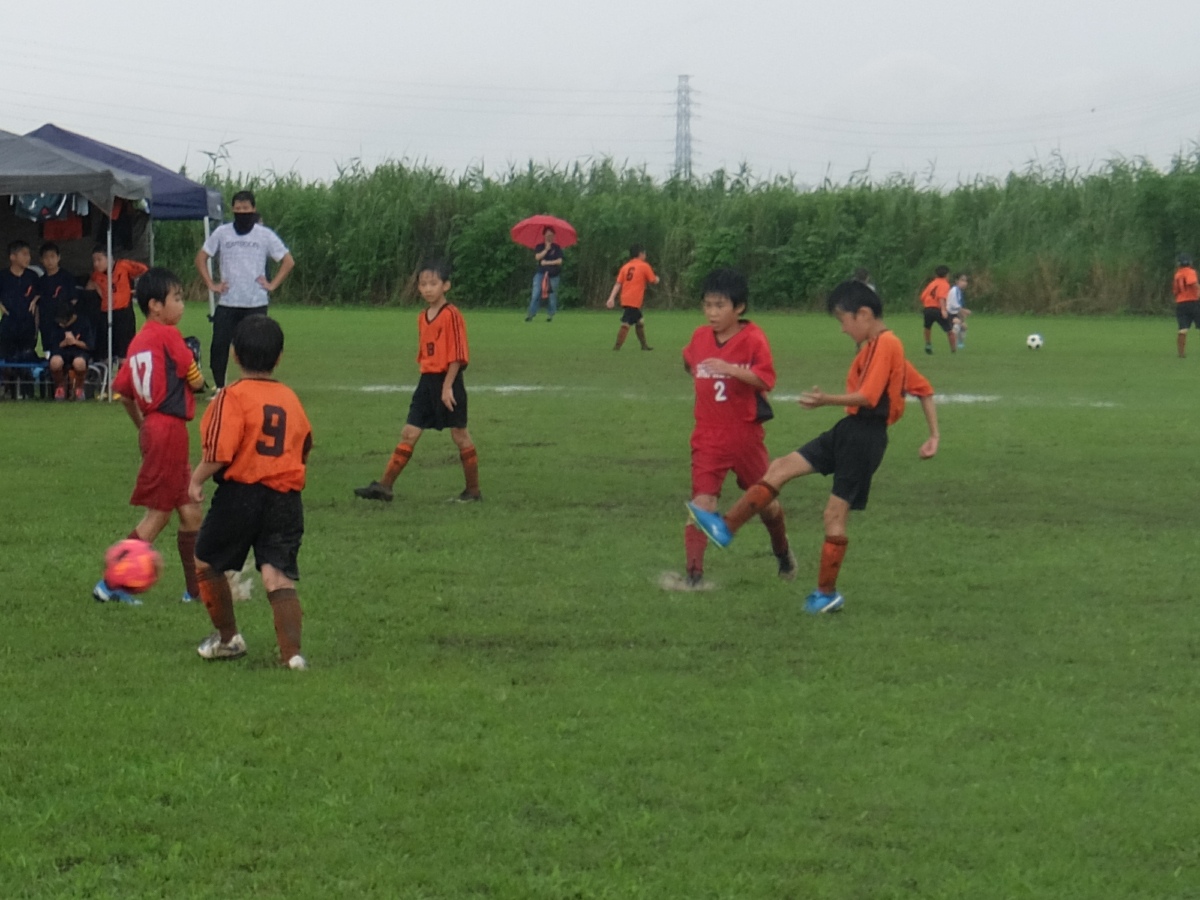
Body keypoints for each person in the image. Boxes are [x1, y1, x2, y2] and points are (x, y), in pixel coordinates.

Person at [687, 279, 940, 614]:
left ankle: (826, 593)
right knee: (780, 467)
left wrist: (825, 400)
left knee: (834, 514)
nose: (843, 329)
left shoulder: (887, 344)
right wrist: (934, 436)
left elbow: (868, 397)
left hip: (865, 437)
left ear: (864, 314)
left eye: (843, 320)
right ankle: (726, 527)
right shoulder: (875, 347)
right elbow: (924, 389)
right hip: (849, 430)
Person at [189, 315, 313, 669]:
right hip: (285, 498)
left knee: (206, 560)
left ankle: (228, 639)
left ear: (234, 354)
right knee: (277, 574)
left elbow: (219, 453)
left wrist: (196, 480)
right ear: (279, 357)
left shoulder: (231, 397)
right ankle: (292, 656)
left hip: (241, 495)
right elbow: (305, 445)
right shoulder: (290, 398)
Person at [664, 268, 794, 592]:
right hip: (708, 436)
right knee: (702, 504)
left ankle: (782, 553)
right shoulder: (699, 337)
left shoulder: (753, 338)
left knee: (766, 504)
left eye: (719, 306)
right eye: (707, 305)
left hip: (745, 436)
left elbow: (766, 379)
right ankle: (693, 576)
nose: (712, 313)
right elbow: (689, 360)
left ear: (739, 307)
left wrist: (731, 369)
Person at [92, 268, 207, 606]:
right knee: (159, 514)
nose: (182, 305)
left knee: (190, 511)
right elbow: (194, 378)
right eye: (177, 298)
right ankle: (111, 583)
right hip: (168, 429)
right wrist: (198, 382)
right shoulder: (168, 334)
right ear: (155, 305)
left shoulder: (137, 341)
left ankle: (196, 590)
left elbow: (123, 392)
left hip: (157, 429)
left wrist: (142, 426)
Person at [354, 259, 482, 503]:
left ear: (446, 285)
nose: (427, 289)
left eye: (433, 283)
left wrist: (447, 386)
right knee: (410, 432)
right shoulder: (422, 317)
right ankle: (385, 486)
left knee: (459, 435)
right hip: (427, 382)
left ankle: (473, 491)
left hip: (449, 381)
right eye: (423, 284)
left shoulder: (452, 315)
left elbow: (457, 355)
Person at [194, 190, 295, 392]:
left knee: (256, 345)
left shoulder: (264, 235)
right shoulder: (222, 233)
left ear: (253, 209)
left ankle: (257, 384)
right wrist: (212, 284)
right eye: (238, 208)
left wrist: (272, 284)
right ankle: (220, 387)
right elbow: (201, 258)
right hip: (228, 301)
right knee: (219, 345)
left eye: (246, 208)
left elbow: (288, 261)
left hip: (255, 301)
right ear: (232, 210)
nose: (242, 212)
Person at [88, 245, 148, 371]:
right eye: (94, 260)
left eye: (99, 259)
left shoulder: (123, 266)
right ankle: (106, 375)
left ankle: (123, 375)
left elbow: (144, 270)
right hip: (106, 313)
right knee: (105, 349)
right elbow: (89, 288)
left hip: (123, 313)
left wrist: (139, 289)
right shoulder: (96, 276)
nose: (96, 264)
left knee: (124, 350)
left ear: (109, 258)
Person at [0, 240, 41, 399]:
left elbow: (41, 293)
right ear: (13, 257)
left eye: (28, 254)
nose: (28, 258)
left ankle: (26, 392)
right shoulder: (3, 276)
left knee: (26, 356)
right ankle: (7, 389)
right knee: (6, 357)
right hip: (8, 324)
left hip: (27, 325)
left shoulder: (32, 276)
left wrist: (36, 299)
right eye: (24, 254)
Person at [605, 244, 659, 350]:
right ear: (640, 254)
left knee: (640, 321)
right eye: (644, 253)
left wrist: (611, 298)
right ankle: (617, 347)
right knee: (626, 323)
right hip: (634, 299)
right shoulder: (644, 266)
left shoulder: (625, 267)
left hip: (625, 298)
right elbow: (653, 280)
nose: (645, 255)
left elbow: (618, 284)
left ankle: (644, 346)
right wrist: (657, 279)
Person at [46, 300, 94, 401]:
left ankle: (79, 388)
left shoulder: (83, 323)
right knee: (55, 363)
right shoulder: (55, 325)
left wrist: (75, 342)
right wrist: (63, 343)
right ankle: (60, 387)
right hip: (61, 352)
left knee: (79, 363)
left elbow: (89, 346)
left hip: (79, 352)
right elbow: (52, 345)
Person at [37, 242, 77, 353]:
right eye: (46, 257)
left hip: (64, 322)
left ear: (58, 258)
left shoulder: (67, 277)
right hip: (46, 323)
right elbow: (38, 304)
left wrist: (67, 319)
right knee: (49, 353)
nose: (49, 261)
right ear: (41, 260)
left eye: (52, 256)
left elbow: (74, 300)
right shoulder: (40, 282)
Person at [525, 226, 563, 322]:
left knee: (552, 295)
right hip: (540, 273)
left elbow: (559, 261)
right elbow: (537, 257)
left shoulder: (557, 248)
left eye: (551, 235)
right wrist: (546, 249)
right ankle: (531, 314)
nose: (550, 237)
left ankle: (550, 315)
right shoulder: (540, 246)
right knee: (536, 293)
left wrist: (547, 262)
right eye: (548, 235)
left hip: (553, 275)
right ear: (544, 236)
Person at [919, 265, 955, 355]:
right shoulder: (945, 284)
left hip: (928, 308)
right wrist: (943, 310)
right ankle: (953, 349)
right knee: (949, 329)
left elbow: (922, 297)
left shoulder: (932, 283)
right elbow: (941, 297)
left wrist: (927, 305)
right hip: (937, 309)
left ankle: (928, 345)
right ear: (947, 275)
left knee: (927, 327)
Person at [1173, 254, 1199, 358]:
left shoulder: (1177, 274)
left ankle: (1181, 353)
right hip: (1193, 302)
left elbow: (1175, 291)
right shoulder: (1190, 272)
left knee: (1182, 329)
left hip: (1181, 303)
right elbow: (1192, 283)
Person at [946, 273, 971, 349]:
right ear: (957, 281)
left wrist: (963, 313)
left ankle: (960, 344)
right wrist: (964, 311)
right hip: (949, 313)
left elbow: (959, 306)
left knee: (964, 327)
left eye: (966, 281)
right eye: (962, 280)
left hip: (955, 313)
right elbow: (953, 305)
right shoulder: (954, 290)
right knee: (957, 326)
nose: (964, 283)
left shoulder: (959, 291)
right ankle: (953, 344)